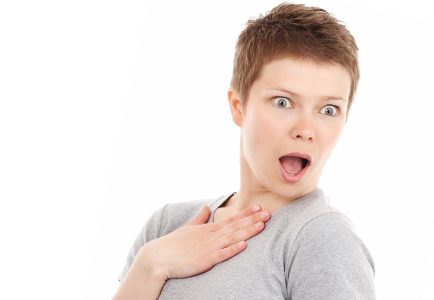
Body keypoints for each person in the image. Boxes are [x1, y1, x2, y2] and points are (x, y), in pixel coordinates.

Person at [112, 3, 376, 299]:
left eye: (329, 109)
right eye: (282, 102)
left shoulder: (322, 238)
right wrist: (150, 265)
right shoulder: (167, 226)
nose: (306, 129)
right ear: (239, 107)